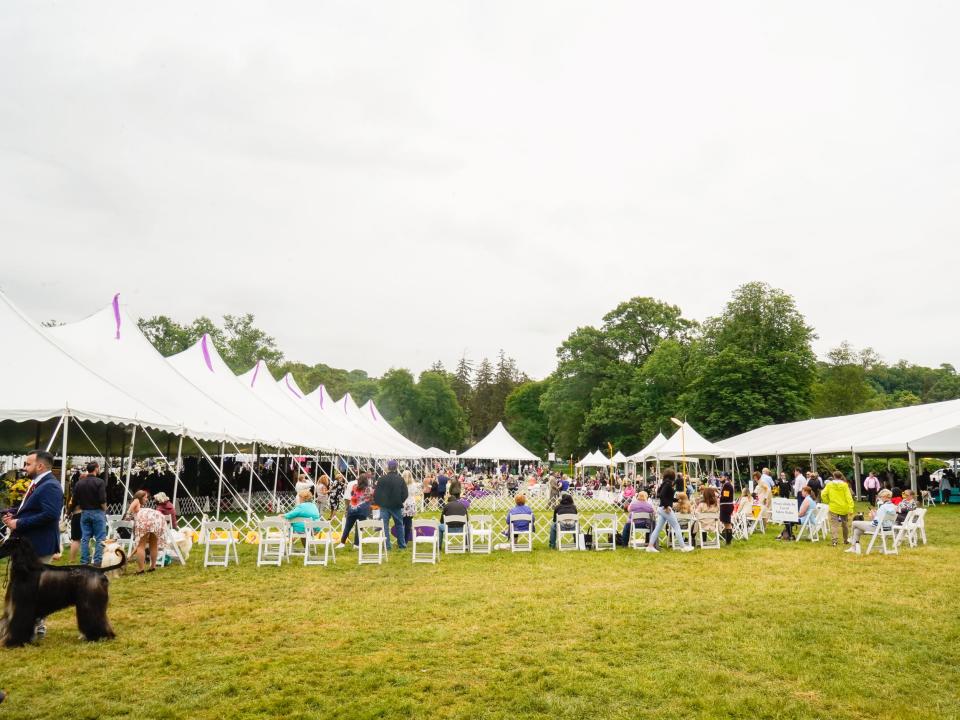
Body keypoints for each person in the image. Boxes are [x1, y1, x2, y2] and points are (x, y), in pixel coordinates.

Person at [3, 450, 64, 640]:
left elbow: (50, 515)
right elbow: (28, 509)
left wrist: (18, 523)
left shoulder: (50, 486)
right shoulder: (38, 484)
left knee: (32, 588)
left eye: (27, 464)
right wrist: (12, 513)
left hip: (39, 545)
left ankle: (35, 626)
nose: (24, 467)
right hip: (27, 544)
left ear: (40, 466)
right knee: (21, 587)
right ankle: (16, 624)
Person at [646, 469, 694, 553]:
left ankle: (650, 546)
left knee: (658, 528)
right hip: (665, 508)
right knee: (676, 526)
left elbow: (664, 495)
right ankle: (683, 547)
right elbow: (662, 495)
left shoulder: (664, 483)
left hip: (661, 508)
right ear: (672, 476)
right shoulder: (668, 484)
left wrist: (675, 500)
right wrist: (666, 506)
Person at [74, 461, 108, 565]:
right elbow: (102, 499)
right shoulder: (100, 482)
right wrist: (105, 508)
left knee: (85, 538)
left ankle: (84, 561)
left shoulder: (79, 483)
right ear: (96, 468)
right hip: (97, 512)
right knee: (100, 538)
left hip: (84, 512)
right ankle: (97, 561)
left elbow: (76, 498)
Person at [126, 490, 167, 574]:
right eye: (145, 497)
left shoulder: (136, 501)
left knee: (141, 545)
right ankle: (153, 567)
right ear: (140, 497)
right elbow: (132, 507)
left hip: (145, 520)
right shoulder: (137, 500)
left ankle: (141, 569)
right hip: (156, 519)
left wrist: (127, 515)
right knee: (153, 544)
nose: (147, 499)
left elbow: (130, 509)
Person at [847, 489, 897, 554]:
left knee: (854, 523)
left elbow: (876, 522)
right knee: (857, 530)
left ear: (885, 497)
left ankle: (851, 538)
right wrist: (876, 515)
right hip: (887, 528)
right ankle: (853, 548)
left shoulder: (883, 507)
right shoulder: (893, 506)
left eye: (880, 497)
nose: (880, 499)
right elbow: (882, 518)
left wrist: (873, 516)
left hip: (878, 528)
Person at [373, 460, 408, 550]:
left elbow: (376, 493)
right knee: (399, 525)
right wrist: (400, 501)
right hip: (396, 505)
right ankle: (402, 545)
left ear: (388, 468)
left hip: (384, 506)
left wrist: (380, 503)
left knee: (384, 526)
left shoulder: (381, 479)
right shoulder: (400, 479)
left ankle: (387, 545)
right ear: (396, 468)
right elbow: (405, 493)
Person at [337, 476, 372, 548]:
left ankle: (342, 542)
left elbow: (351, 494)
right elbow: (371, 498)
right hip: (363, 510)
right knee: (359, 527)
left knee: (347, 526)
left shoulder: (355, 487)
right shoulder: (369, 489)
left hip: (352, 509)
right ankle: (356, 544)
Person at [821, 470, 855, 547]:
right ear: (841, 476)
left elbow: (823, 494)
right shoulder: (845, 485)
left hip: (833, 507)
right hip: (844, 507)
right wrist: (851, 508)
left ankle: (834, 541)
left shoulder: (829, 484)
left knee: (834, 524)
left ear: (834, 476)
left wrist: (827, 501)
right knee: (845, 524)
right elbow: (848, 497)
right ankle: (845, 540)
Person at [719, 472, 736, 545]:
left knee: (727, 524)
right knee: (727, 523)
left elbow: (725, 497)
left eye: (721, 476)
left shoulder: (727, 485)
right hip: (726, 506)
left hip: (726, 506)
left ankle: (728, 542)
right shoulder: (726, 485)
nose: (720, 478)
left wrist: (718, 496)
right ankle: (728, 541)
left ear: (726, 477)